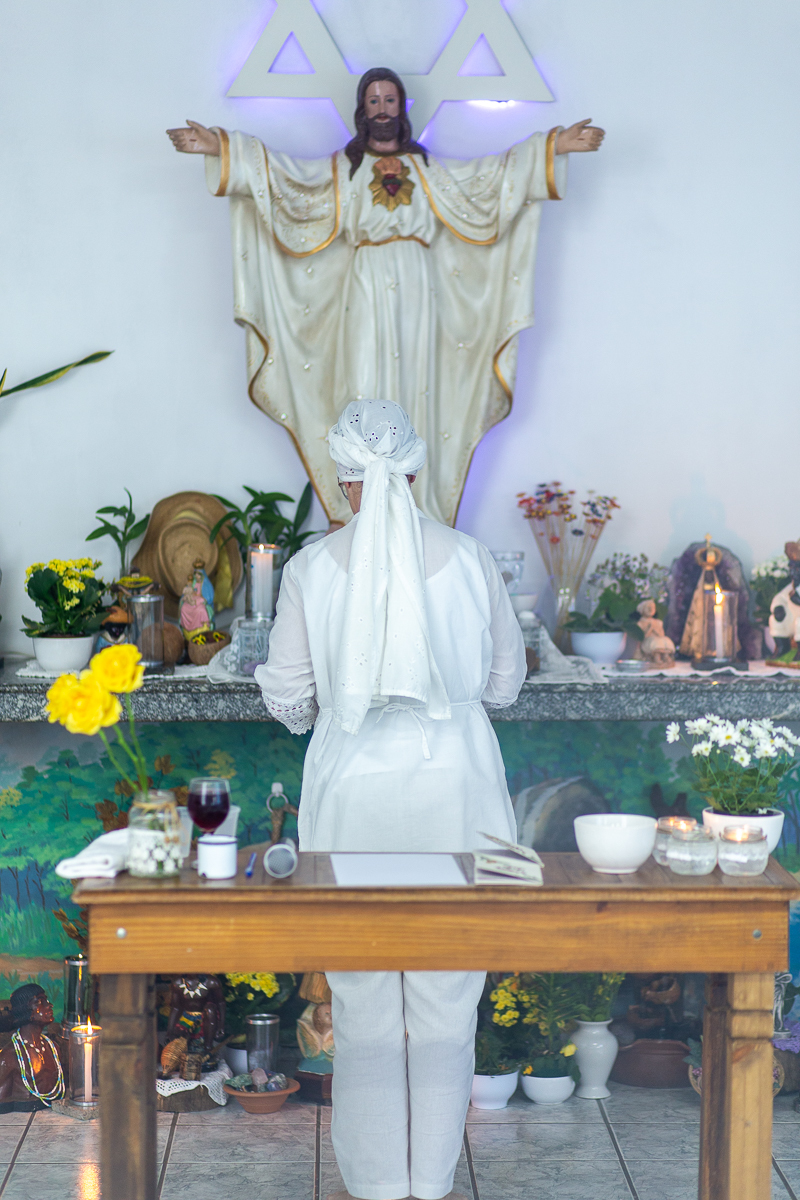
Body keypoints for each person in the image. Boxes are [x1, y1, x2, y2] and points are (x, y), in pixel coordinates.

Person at [255, 399, 526, 1200]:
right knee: (449, 999)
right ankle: (430, 1184)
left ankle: (376, 1187)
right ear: (413, 474)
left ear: (343, 484)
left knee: (365, 999)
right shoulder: (471, 556)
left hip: (352, 796)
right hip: (461, 790)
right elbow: (505, 685)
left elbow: (291, 698)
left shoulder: (309, 567)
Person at [167, 69, 604, 528]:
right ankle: (356, 514)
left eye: (390, 100)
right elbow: (284, 176)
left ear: (402, 108)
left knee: (418, 394)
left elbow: (493, 177)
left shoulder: (429, 170)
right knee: (362, 386)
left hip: (419, 292)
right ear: (362, 109)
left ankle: (418, 513)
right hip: (364, 286)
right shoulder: (341, 169)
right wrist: (222, 147)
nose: (382, 109)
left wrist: (553, 148)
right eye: (373, 100)